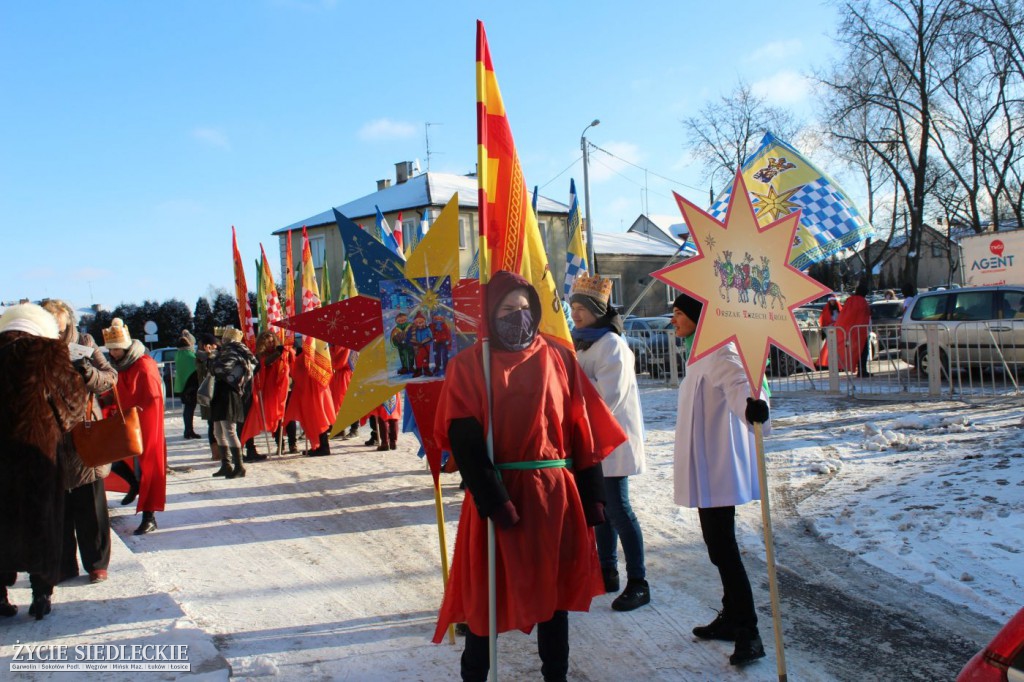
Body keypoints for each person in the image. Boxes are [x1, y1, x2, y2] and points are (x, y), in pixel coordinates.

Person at [432, 270, 626, 682]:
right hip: (498, 500)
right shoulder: (470, 366)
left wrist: (593, 498)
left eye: (524, 308)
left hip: (554, 500)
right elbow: (464, 442)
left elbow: (582, 430)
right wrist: (494, 500)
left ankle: (555, 676)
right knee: (487, 599)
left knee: (553, 599)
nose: (518, 316)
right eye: (507, 309)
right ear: (489, 312)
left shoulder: (559, 358)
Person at [669, 293, 771, 667]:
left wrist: (754, 408)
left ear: (698, 315)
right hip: (705, 466)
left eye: (679, 313)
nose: (673, 320)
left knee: (724, 549)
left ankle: (749, 631)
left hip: (717, 467)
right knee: (717, 546)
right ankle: (731, 617)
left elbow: (743, 385)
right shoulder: (699, 352)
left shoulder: (721, 350)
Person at [1, 303, 89, 619]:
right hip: (36, 457)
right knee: (42, 520)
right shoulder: (47, 352)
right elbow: (73, 406)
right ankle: (41, 595)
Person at [568, 274, 650, 612]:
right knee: (600, 509)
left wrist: (573, 390)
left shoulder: (612, 345)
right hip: (592, 440)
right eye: (572, 308)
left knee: (618, 508)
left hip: (612, 439)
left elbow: (609, 397)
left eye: (580, 309)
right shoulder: (584, 342)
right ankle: (607, 570)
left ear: (595, 310)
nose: (575, 315)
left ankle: (638, 581)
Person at [41, 300, 117, 585]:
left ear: (67, 323)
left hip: (84, 433)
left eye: (59, 327)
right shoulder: (37, 346)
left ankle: (97, 563)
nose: (56, 333)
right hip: (51, 433)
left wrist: (88, 373)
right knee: (57, 505)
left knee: (91, 504)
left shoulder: (85, 341)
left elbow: (111, 377)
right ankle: (64, 564)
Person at [103, 318, 167, 535]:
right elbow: (115, 391)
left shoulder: (144, 364)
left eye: (115, 350)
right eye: (110, 350)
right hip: (125, 421)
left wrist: (133, 412)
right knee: (111, 456)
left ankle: (150, 516)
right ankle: (133, 484)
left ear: (125, 347)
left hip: (143, 424)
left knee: (148, 468)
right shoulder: (120, 365)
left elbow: (153, 398)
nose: (112, 354)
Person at [209, 327, 257, 478]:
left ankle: (239, 466)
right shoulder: (235, 351)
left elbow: (220, 369)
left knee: (228, 430)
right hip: (223, 392)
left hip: (228, 393)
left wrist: (211, 359)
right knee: (218, 430)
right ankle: (226, 464)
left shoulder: (232, 351)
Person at [241, 331, 294, 457]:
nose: (270, 344)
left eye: (272, 341)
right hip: (270, 391)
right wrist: (277, 353)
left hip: (285, 389)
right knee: (275, 417)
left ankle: (292, 444)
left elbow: (291, 361)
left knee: (287, 417)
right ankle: (280, 444)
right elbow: (265, 362)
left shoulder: (280, 351)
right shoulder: (260, 355)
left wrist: (289, 351)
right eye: (267, 342)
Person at [834, 281, 872, 377]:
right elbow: (865, 316)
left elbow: (845, 315)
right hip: (860, 331)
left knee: (856, 352)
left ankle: (860, 370)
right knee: (863, 352)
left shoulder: (850, 300)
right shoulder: (862, 302)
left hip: (850, 330)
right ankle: (862, 370)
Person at [174, 330, 202, 439]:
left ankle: (188, 430)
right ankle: (189, 431)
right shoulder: (191, 356)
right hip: (191, 386)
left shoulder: (178, 354)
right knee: (190, 408)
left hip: (182, 386)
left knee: (187, 409)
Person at [817, 296, 843, 368]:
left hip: (838, 331)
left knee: (839, 349)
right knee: (831, 348)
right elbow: (824, 320)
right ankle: (832, 363)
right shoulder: (826, 310)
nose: (832, 302)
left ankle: (840, 364)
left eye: (834, 301)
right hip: (830, 330)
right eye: (831, 301)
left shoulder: (840, 310)